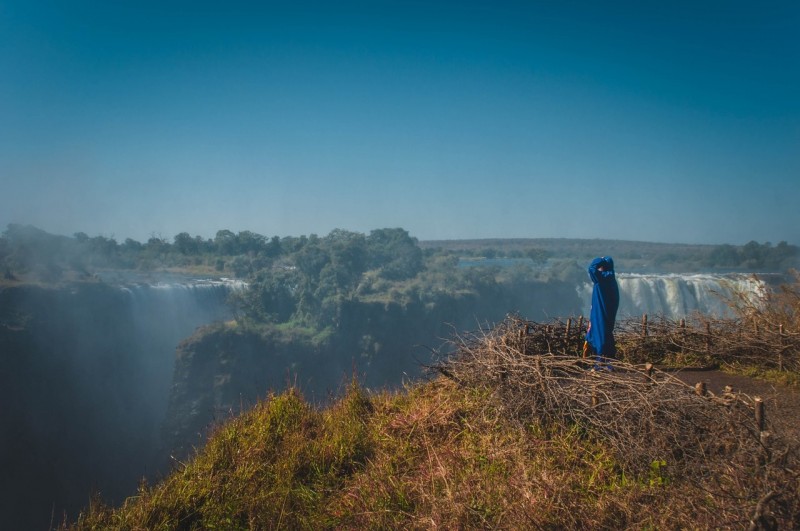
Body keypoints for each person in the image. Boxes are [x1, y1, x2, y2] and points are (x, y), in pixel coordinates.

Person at [584, 256, 620, 369]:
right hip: (605, 311)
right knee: (603, 334)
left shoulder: (602, 279)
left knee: (600, 335)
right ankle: (606, 362)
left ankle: (600, 363)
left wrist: (599, 260)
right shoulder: (610, 278)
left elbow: (591, 269)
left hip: (600, 312)